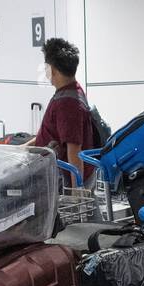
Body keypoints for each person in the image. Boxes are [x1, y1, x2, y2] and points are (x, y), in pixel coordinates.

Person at [31, 37, 95, 182]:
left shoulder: (67, 103)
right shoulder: (73, 89)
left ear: (52, 69)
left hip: (64, 182)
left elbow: (74, 152)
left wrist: (76, 197)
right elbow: (56, 132)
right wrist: (25, 147)